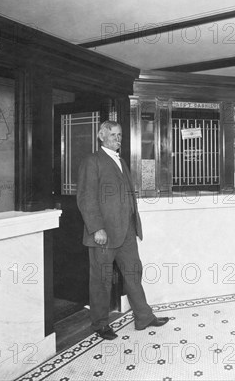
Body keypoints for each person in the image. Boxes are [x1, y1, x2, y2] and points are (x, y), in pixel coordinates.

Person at [77, 121, 169, 340]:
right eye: (113, 135)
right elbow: (86, 197)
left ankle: (144, 317)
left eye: (120, 135)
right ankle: (100, 324)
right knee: (101, 279)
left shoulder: (121, 161)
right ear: (101, 136)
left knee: (133, 273)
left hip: (126, 230)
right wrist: (97, 228)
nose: (117, 139)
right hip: (103, 234)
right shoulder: (92, 161)